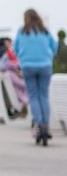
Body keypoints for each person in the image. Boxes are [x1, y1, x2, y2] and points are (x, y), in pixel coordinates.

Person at [14, 9, 57, 143]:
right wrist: (47, 56)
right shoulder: (45, 31)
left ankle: (38, 124)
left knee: (33, 96)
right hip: (45, 66)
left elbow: (16, 49)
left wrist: (22, 57)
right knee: (43, 96)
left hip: (28, 66)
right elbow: (54, 47)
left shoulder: (22, 31)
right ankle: (46, 125)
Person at [0, 37, 28, 117]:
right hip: (22, 97)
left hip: (15, 90)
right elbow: (23, 85)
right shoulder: (11, 72)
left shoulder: (8, 72)